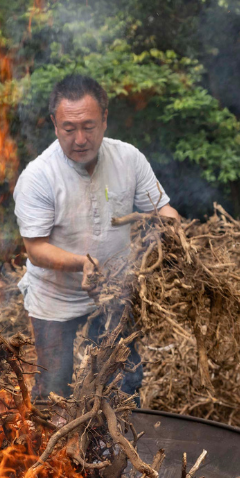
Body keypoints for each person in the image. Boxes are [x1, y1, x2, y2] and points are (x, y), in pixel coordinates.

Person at [13, 74, 180, 400]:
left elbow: (163, 212)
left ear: (104, 120)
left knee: (123, 385)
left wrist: (183, 238)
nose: (79, 139)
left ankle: (112, 448)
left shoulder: (128, 159)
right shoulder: (38, 176)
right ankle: (52, 448)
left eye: (88, 127)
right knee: (52, 392)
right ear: (54, 124)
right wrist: (81, 262)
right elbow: (35, 249)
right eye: (68, 128)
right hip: (54, 299)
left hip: (115, 292)